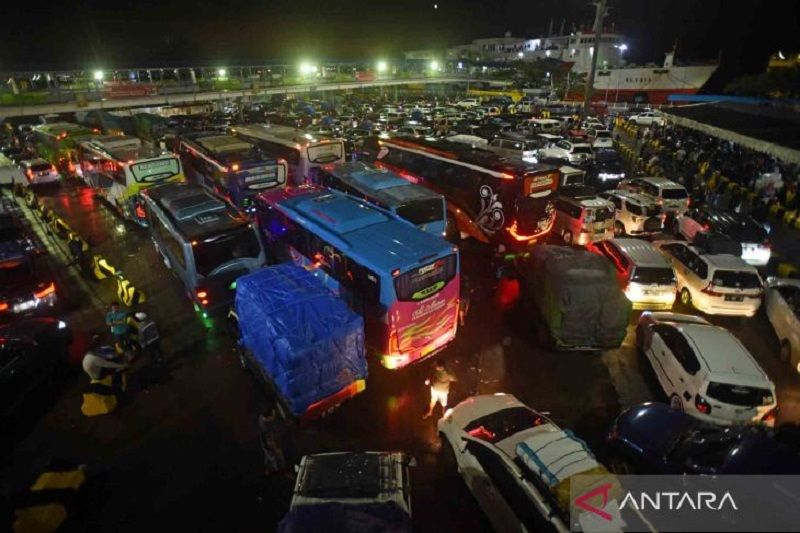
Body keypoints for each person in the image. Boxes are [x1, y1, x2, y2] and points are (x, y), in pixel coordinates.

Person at [258, 407, 286, 475]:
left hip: (266, 443)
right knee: (276, 457)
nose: (273, 417)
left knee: (270, 457)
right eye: (272, 415)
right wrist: (276, 448)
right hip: (269, 444)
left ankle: (273, 470)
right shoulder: (265, 426)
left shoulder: (261, 418)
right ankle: (280, 472)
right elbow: (269, 441)